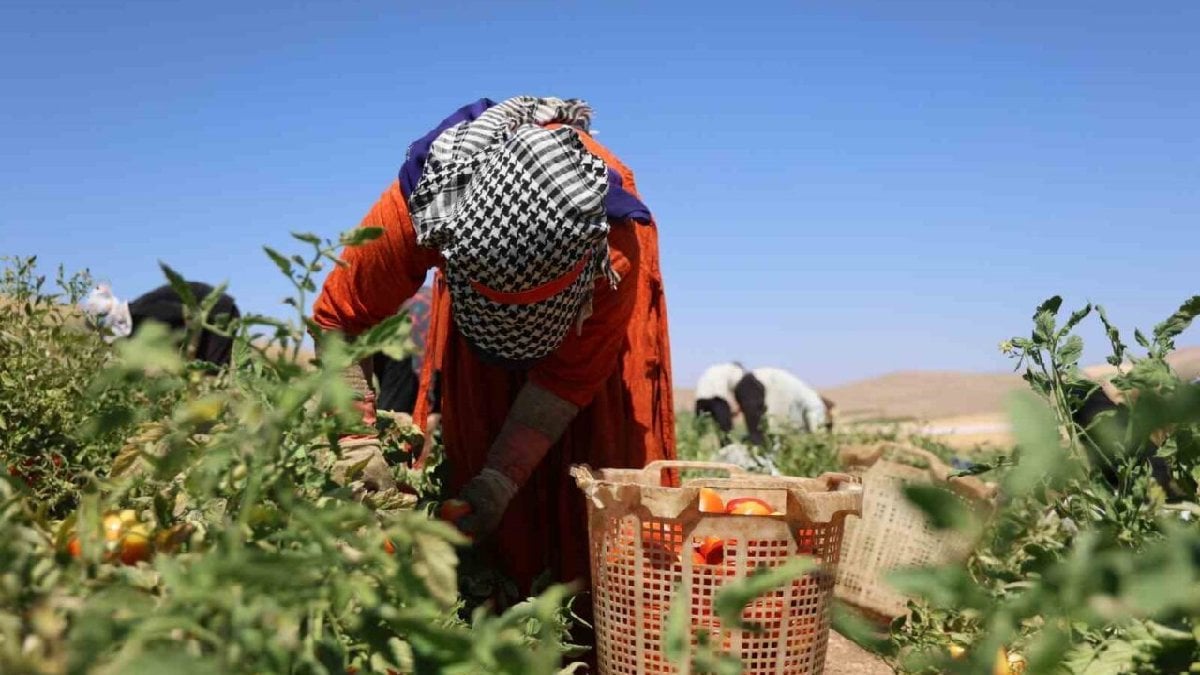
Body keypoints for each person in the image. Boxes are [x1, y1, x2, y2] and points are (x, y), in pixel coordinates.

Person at [311, 97, 676, 603]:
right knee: (486, 483)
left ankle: (594, 613)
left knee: (602, 502)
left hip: (591, 322)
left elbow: (567, 378)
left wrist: (503, 478)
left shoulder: (612, 247)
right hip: (477, 314)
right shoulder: (426, 206)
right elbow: (339, 319)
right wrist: (354, 441)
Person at [82, 281, 240, 368]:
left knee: (210, 372)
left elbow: (191, 315)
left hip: (218, 311)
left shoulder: (144, 311)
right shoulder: (140, 319)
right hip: (207, 318)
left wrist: (190, 353)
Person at [742, 367, 830, 443]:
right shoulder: (816, 406)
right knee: (758, 439)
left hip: (754, 382)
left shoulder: (809, 397)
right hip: (755, 383)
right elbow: (818, 437)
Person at [693, 362, 749, 441]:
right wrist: (741, 405)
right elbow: (740, 387)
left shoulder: (717, 369)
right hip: (717, 397)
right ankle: (727, 446)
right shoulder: (737, 370)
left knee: (701, 427)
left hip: (700, 397)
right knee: (726, 431)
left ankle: (698, 445)